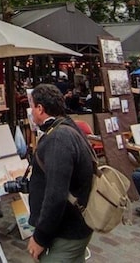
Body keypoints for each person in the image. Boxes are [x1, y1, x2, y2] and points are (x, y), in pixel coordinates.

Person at [28, 84, 94, 262]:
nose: (31, 112)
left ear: (40, 108)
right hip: (75, 226)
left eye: (32, 107)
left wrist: (40, 237)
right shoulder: (67, 126)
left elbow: (56, 194)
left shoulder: (58, 138)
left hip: (66, 232)